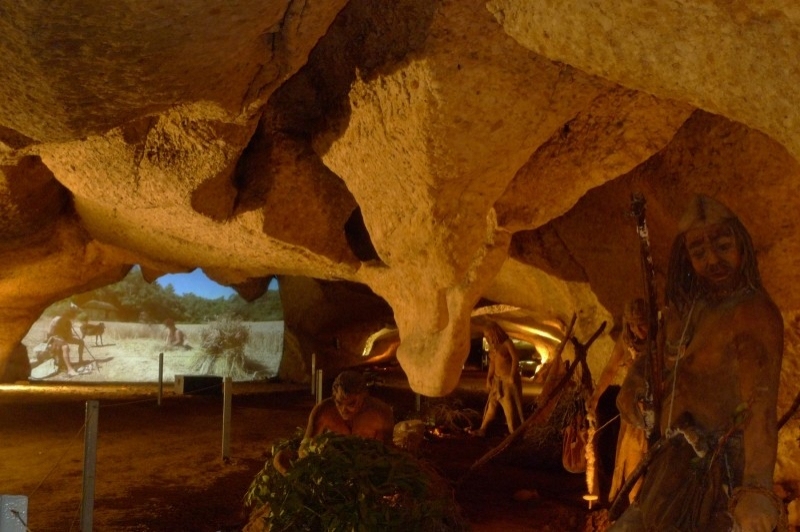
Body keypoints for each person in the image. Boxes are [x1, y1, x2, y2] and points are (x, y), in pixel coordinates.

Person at [612, 195, 784, 531]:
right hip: (669, 466)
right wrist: (633, 384)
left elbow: (760, 408)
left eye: (723, 246)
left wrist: (757, 488)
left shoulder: (753, 314)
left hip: (719, 472)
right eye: (699, 252)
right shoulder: (687, 308)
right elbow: (654, 358)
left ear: (741, 244)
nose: (712, 260)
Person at [587, 298, 649, 506]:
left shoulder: (659, 341)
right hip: (632, 410)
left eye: (642, 324)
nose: (638, 330)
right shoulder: (627, 343)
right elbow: (611, 369)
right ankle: (633, 503)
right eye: (633, 325)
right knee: (631, 457)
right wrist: (596, 396)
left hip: (655, 405)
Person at [273, 370, 395, 474]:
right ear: (333, 396)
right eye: (339, 403)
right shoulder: (323, 411)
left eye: (351, 404)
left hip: (366, 471)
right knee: (280, 458)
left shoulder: (381, 413)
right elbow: (305, 448)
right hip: (328, 469)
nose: (343, 410)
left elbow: (385, 452)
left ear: (364, 396)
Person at [473, 322, 526, 437]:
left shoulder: (507, 343)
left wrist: (512, 375)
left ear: (495, 333)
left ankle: (514, 433)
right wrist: (489, 378)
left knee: (509, 409)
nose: (488, 338)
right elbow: (492, 364)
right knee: (491, 406)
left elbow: (515, 359)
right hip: (497, 381)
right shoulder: (493, 348)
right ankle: (483, 429)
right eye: (486, 336)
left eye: (489, 335)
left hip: (507, 382)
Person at [46, 305, 85, 377]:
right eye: (70, 315)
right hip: (53, 338)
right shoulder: (56, 320)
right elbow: (49, 334)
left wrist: (70, 337)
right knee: (65, 346)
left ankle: (80, 360)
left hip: (63, 338)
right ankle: (70, 369)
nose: (71, 318)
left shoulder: (68, 322)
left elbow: (69, 335)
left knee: (81, 342)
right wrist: (58, 339)